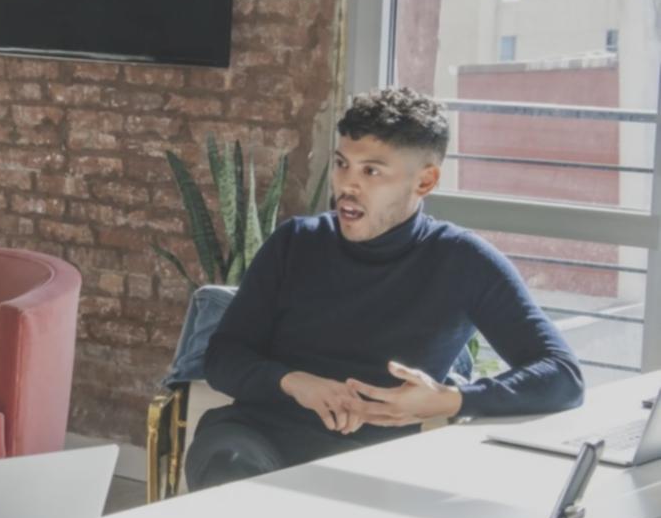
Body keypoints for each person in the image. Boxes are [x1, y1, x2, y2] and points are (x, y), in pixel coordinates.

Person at [187, 87, 583, 489]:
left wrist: (450, 399)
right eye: (342, 164)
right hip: (255, 437)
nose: (347, 185)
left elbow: (562, 374)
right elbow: (223, 357)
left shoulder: (463, 261)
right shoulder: (295, 243)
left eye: (371, 171)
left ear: (425, 180)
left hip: (379, 459)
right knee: (228, 470)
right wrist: (295, 382)